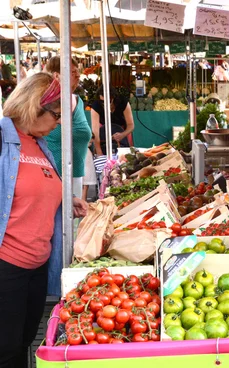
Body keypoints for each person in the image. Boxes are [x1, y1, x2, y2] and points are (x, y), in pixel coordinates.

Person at [0, 73, 88, 368]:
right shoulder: (3, 141)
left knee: (24, 340)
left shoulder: (40, 146)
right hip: (6, 264)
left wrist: (64, 200)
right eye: (56, 114)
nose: (60, 122)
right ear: (34, 106)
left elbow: (34, 189)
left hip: (38, 266)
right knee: (6, 347)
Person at [44, 56, 92, 200]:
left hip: (75, 172)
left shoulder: (77, 100)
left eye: (78, 71)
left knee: (73, 219)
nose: (78, 75)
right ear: (56, 75)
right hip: (53, 174)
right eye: (72, 72)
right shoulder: (48, 102)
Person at [90, 85, 135, 156]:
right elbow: (95, 133)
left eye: (108, 101)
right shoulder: (96, 106)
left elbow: (131, 125)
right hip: (103, 130)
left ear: (113, 97)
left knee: (127, 155)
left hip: (122, 129)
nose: (105, 103)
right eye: (102, 101)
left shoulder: (123, 102)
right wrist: (99, 152)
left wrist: (122, 135)